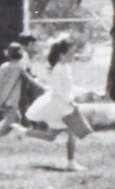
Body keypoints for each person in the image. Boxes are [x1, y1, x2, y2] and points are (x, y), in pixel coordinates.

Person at [22, 35, 92, 171]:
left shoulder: (66, 67)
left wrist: (85, 92)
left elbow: (69, 86)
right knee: (72, 132)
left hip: (64, 105)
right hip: (60, 106)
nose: (73, 56)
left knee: (51, 136)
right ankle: (71, 163)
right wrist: (70, 101)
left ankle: (22, 131)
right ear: (61, 55)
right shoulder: (58, 69)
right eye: (70, 54)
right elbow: (58, 90)